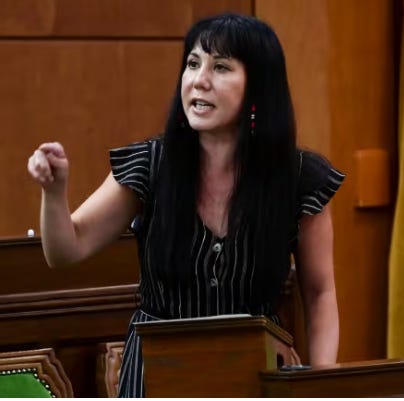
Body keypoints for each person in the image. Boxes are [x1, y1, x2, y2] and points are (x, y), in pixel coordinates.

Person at [27, 12, 345, 397]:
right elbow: (66, 250)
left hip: (254, 372)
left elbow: (319, 292)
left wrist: (321, 384)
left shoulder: (299, 178)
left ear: (259, 87)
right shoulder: (151, 165)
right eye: (193, 64)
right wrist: (54, 192)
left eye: (221, 67)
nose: (199, 80)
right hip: (156, 375)